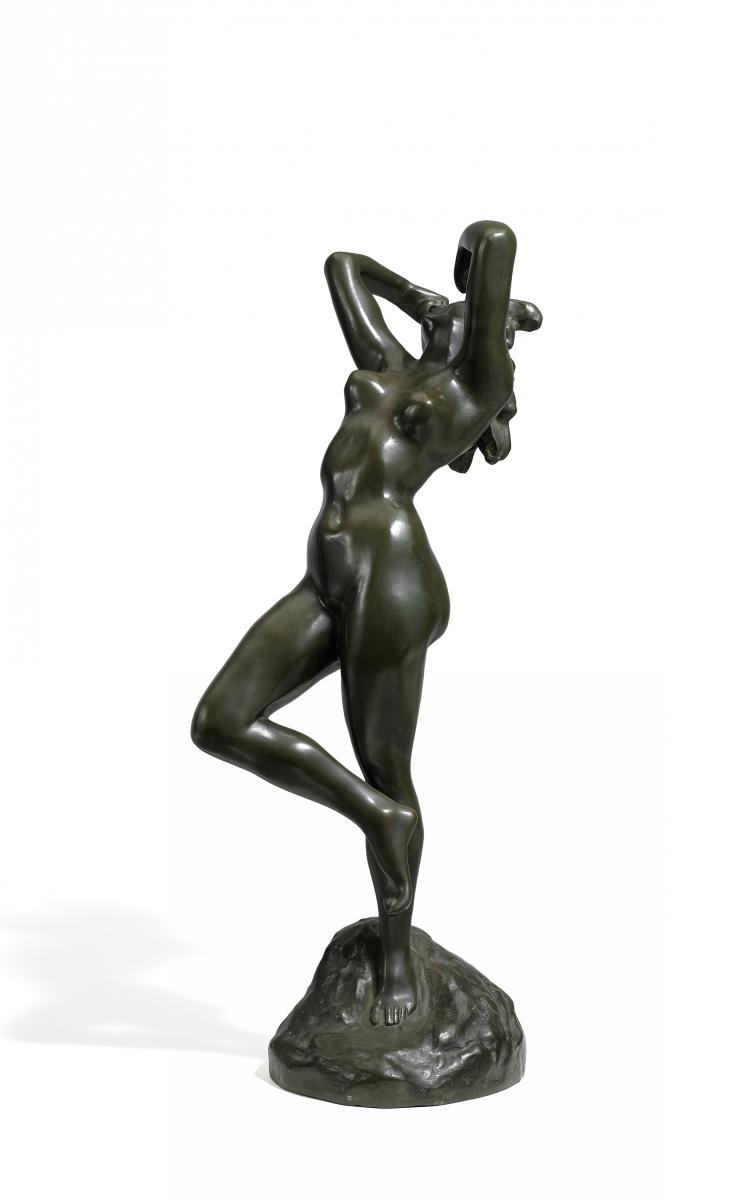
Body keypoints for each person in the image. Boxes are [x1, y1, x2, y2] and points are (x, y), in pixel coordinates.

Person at [191, 221, 542, 1026]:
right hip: (327, 576)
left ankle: (395, 958)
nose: (451, 310)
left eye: (468, 313)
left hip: (392, 583)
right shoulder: (388, 365)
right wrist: (420, 297)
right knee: (219, 722)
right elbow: (342, 264)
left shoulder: (471, 388)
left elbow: (493, 241)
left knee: (389, 769)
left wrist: (472, 284)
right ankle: (374, 815)